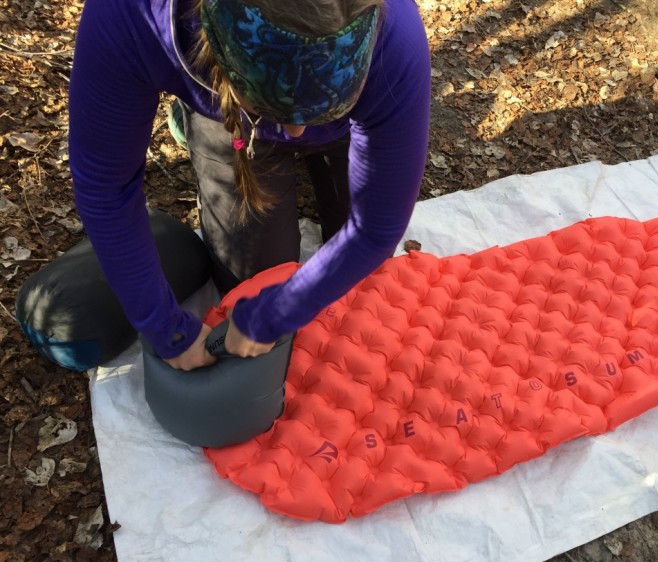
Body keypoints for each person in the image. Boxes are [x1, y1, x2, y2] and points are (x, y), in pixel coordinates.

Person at [67, 0, 431, 370]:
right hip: (232, 114)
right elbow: (105, 188)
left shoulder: (392, 34)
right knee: (250, 281)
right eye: (274, 107)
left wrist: (280, 311)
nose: (296, 131)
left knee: (362, 282)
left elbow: (375, 227)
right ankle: (201, 110)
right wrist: (165, 329)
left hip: (341, 121)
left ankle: (310, 111)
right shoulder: (130, 14)